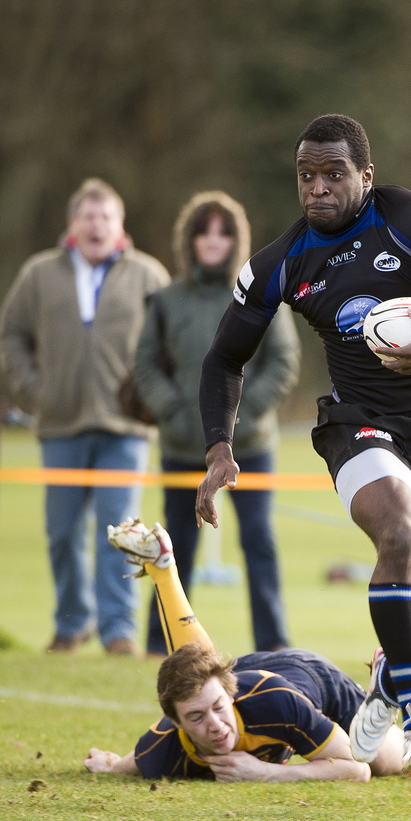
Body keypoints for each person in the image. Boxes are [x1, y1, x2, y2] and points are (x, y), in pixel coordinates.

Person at [196, 114, 411, 778]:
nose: (317, 188)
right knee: (398, 535)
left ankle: (387, 680)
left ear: (365, 176)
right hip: (359, 421)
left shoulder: (410, 217)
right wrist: (218, 446)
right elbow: (224, 360)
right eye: (306, 175)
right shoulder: (281, 263)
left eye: (333, 173)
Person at [84, 518, 411, 781]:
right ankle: (164, 571)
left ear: (229, 695)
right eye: (195, 719)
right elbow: (133, 759)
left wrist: (267, 774)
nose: (213, 724)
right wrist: (111, 764)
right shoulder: (162, 751)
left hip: (310, 682)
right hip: (248, 676)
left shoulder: (271, 704)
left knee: (391, 760)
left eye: (217, 709)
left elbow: (353, 771)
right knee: (194, 673)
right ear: (175, 723)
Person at [0, 178, 169, 656]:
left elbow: (168, 344)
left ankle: (118, 632)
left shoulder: (148, 275)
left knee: (120, 533)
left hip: (125, 429)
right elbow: (10, 335)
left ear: (120, 226)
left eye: (106, 217)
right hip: (60, 425)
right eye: (88, 217)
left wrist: (150, 395)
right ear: (72, 225)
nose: (97, 226)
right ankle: (72, 624)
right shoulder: (38, 274)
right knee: (62, 534)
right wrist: (37, 390)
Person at [133, 191, 300, 658]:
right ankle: (159, 639)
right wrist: (175, 410)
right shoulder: (166, 300)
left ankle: (272, 644)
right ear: (189, 239)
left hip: (249, 444)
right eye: (204, 231)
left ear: (236, 239)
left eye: (223, 231)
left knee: (259, 543)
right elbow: (144, 364)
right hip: (184, 443)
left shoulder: (260, 292)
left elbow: (284, 361)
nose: (213, 239)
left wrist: (240, 409)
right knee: (174, 546)